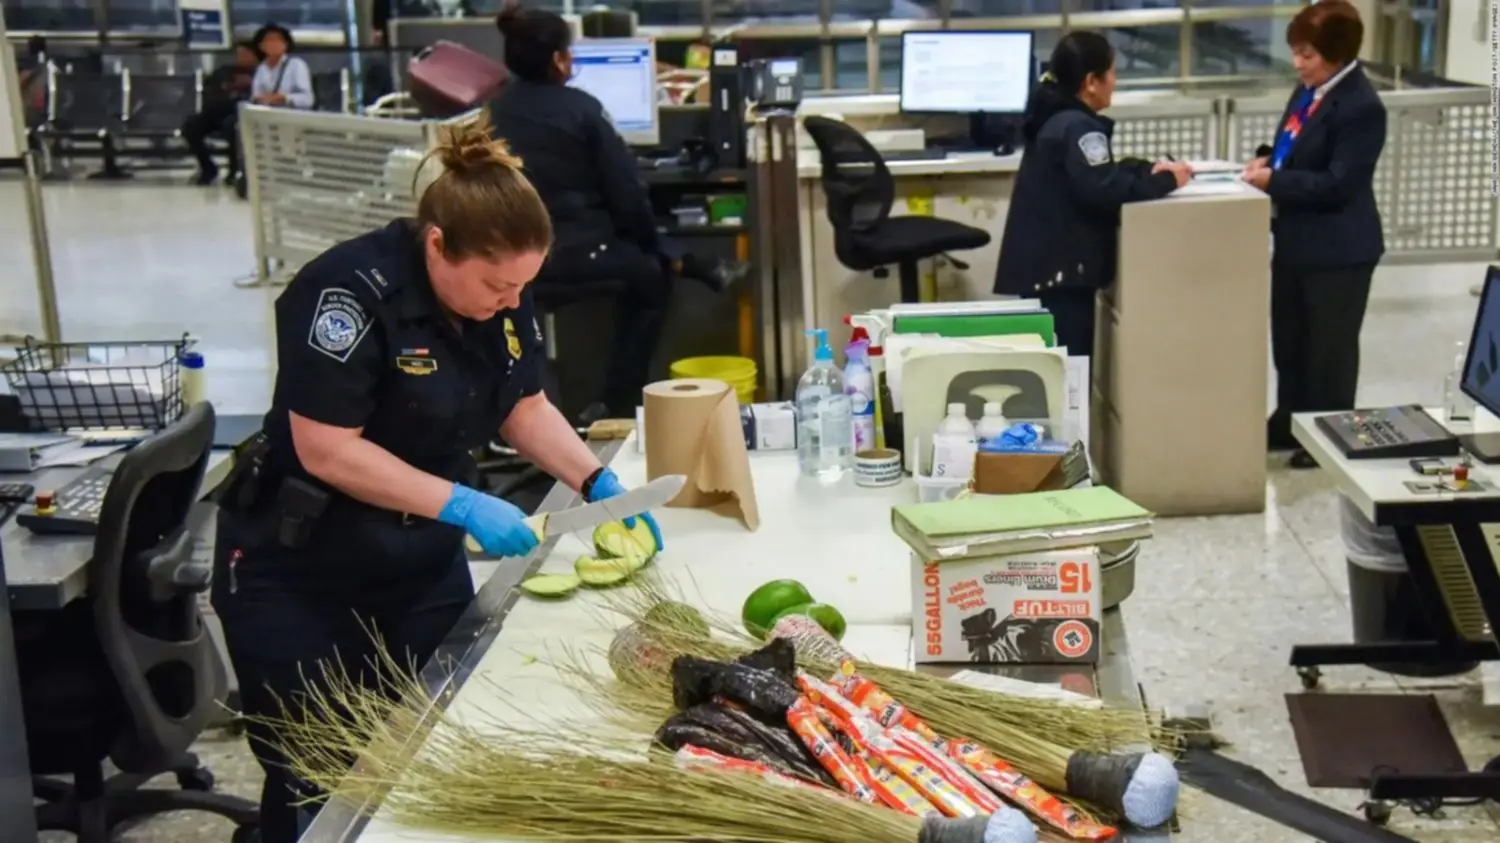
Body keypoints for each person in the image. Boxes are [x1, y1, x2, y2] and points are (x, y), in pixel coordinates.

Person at [210, 119, 663, 843]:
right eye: (496, 284)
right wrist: (460, 500)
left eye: (523, 285)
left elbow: (523, 403)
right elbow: (325, 448)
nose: (511, 301)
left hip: (419, 565)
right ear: (436, 246)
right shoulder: (347, 295)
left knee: (441, 741)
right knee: (319, 776)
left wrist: (593, 478)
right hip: (302, 572)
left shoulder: (500, 295)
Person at [487, 5, 747, 419]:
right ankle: (616, 403)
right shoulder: (582, 109)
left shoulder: (493, 110)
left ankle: (687, 262)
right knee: (649, 275)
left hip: (512, 260)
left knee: (635, 247)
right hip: (572, 256)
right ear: (558, 59)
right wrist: (652, 242)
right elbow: (627, 196)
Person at [1246, 1, 1385, 470]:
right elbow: (1296, 146)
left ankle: (1325, 435)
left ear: (1338, 52)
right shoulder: (1309, 91)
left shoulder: (1362, 106)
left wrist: (1276, 182)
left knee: (1329, 349)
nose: (1298, 63)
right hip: (1295, 240)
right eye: (1296, 53)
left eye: (1308, 54)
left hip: (1339, 248)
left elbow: (1338, 182)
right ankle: (1290, 418)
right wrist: (1270, 161)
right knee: (1291, 340)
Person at [992, 31, 1190, 357]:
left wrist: (1143, 170)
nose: (1115, 81)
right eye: (1111, 73)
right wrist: (1168, 182)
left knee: (1055, 371)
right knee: (1071, 373)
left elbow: (1091, 175)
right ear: (1091, 82)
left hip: (1046, 266)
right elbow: (1102, 188)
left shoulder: (1054, 115)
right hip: (1064, 273)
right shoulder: (1078, 127)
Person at [182, 41, 259, 186]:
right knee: (191, 126)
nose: (242, 57)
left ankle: (234, 170)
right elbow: (210, 93)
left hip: (240, 115)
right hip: (217, 111)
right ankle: (208, 168)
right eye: (239, 54)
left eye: (246, 54)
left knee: (232, 126)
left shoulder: (261, 74)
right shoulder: (224, 71)